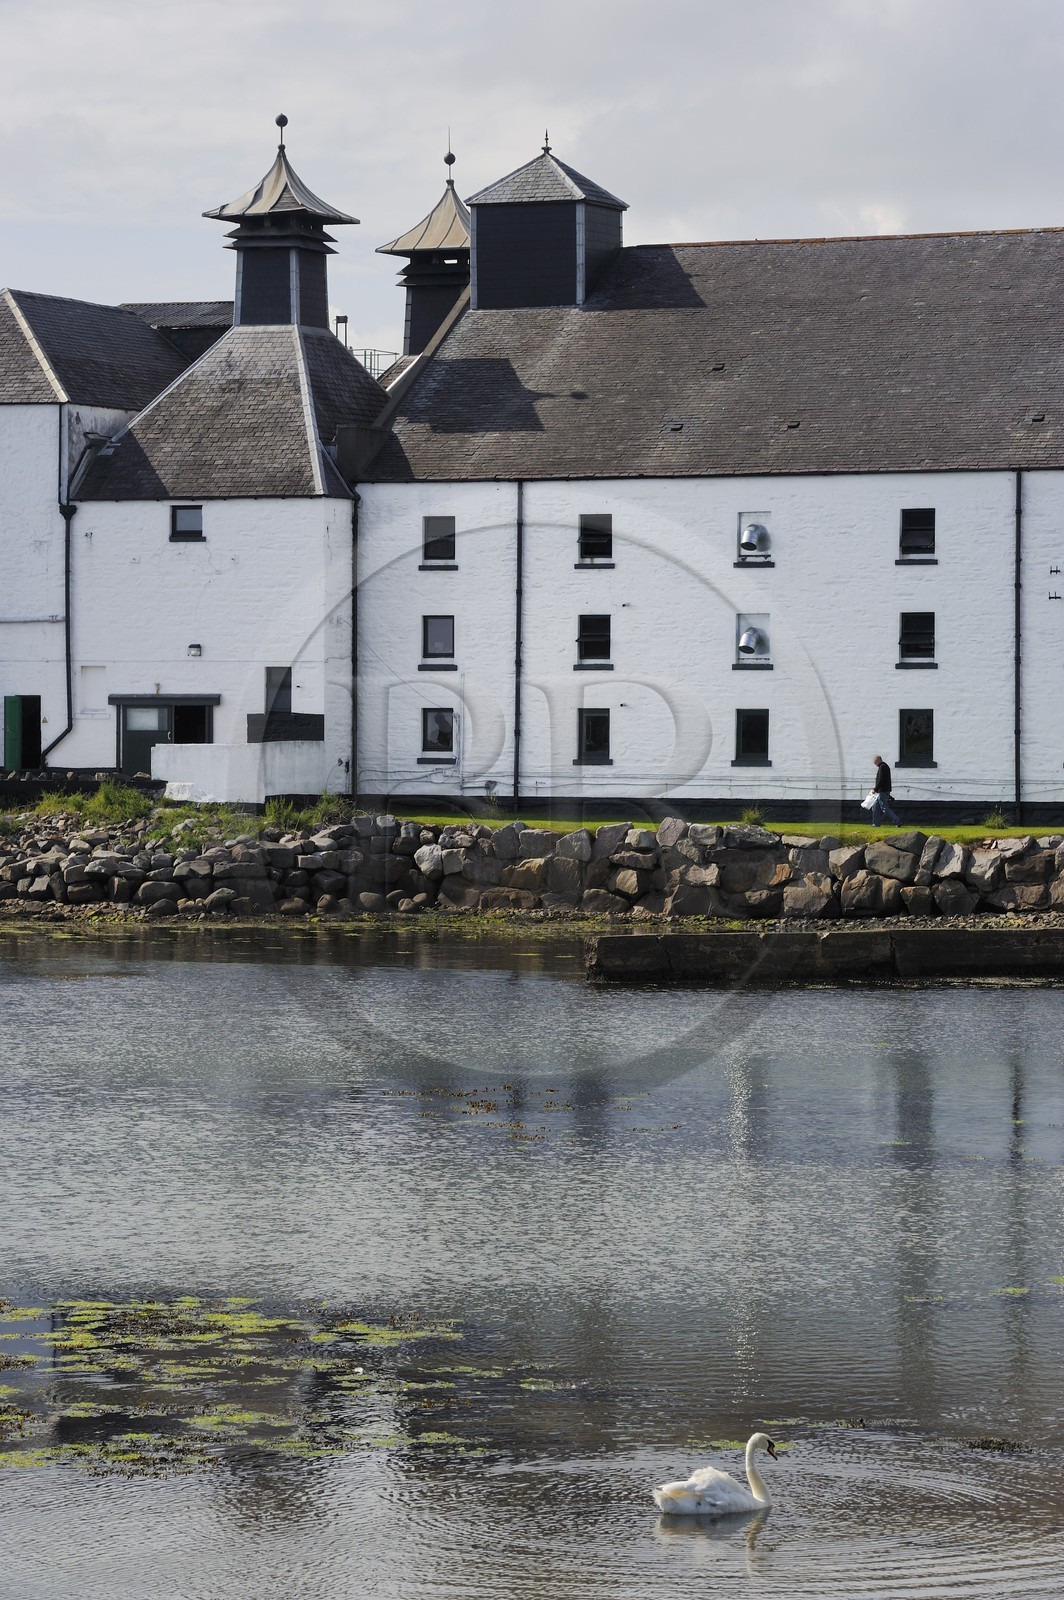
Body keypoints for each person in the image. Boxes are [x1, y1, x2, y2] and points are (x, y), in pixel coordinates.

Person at [871, 754, 900, 826]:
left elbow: (881, 780)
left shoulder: (882, 767)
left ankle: (897, 821)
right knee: (875, 806)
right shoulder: (883, 766)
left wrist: (875, 789)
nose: (874, 763)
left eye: (875, 761)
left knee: (884, 807)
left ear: (878, 760)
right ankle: (876, 823)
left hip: (882, 790)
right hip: (882, 790)